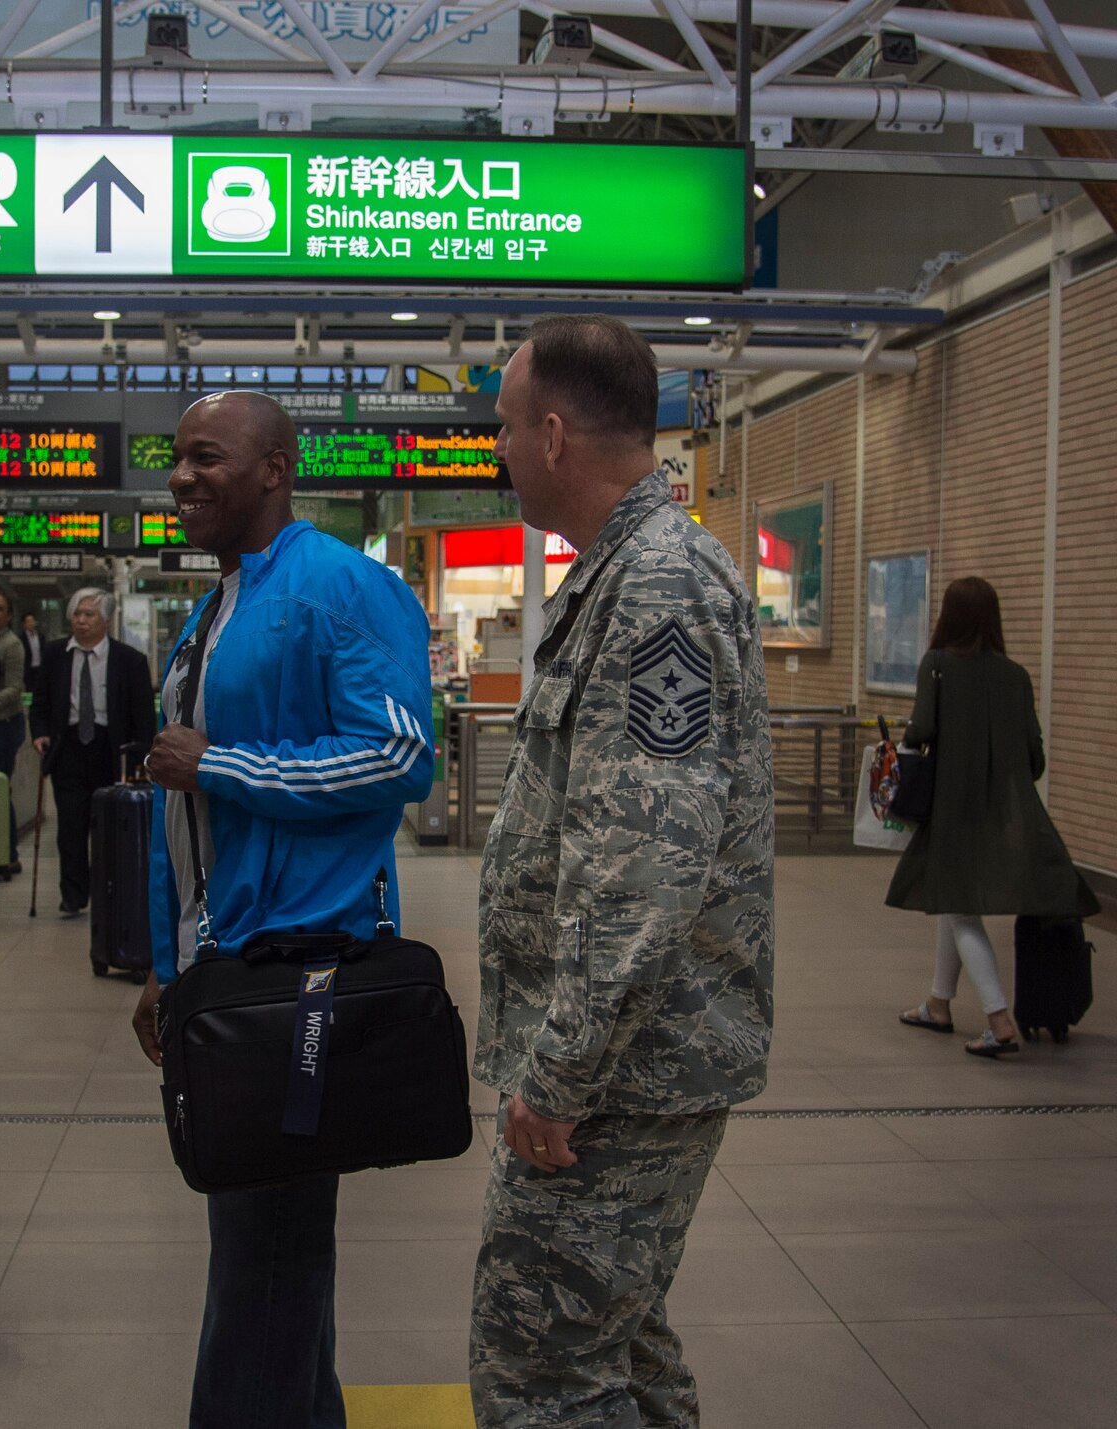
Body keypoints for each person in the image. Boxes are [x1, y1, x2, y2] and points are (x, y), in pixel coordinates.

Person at [468, 315, 774, 1429]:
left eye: (502, 427)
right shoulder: (630, 571)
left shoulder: (653, 586)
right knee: (617, 1348)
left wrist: (558, 1073)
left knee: (541, 1368)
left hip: (619, 1083)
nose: (493, 449)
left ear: (552, 434)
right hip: (627, 1069)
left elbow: (644, 866)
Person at [130, 391, 434, 1428]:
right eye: (175, 459)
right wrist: (167, 971)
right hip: (226, 978)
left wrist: (223, 763)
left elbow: (397, 754)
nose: (181, 479)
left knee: (260, 1266)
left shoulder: (341, 588)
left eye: (205, 458)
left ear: (274, 467)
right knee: (270, 1260)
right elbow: (186, 817)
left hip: (297, 978)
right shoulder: (211, 610)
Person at [889, 576, 1099, 1056]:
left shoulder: (937, 666)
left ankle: (998, 1018)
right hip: (1009, 813)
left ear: (949, 616)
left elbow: (921, 728)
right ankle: (938, 1005)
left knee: (960, 907)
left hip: (955, 809)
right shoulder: (1015, 675)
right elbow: (1035, 757)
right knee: (953, 901)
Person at [31, 588, 155, 918]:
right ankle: (73, 894)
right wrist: (40, 733)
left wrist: (142, 760)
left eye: (90, 615)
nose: (82, 621)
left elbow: (143, 716)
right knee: (70, 828)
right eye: (77, 614)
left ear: (107, 620)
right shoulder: (56, 654)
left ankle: (111, 888)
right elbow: (40, 703)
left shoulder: (130, 660)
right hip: (67, 748)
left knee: (112, 826)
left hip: (111, 749)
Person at [0, 587, 29, 874]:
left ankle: (8, 852)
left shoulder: (11, 645)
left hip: (4, 723)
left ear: (9, 615)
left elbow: (15, 686)